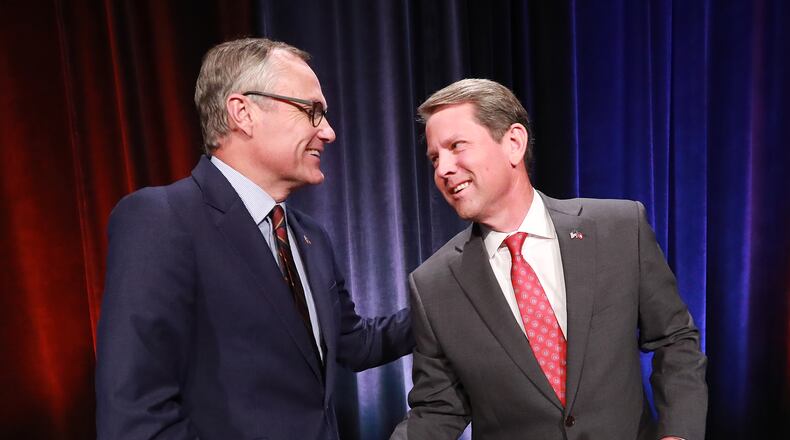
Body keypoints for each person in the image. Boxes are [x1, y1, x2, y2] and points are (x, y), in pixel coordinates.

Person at [95, 37, 414, 440]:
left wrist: (454, 303)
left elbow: (354, 343)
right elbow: (136, 414)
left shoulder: (311, 237)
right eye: (312, 111)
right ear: (243, 113)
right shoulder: (162, 219)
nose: (329, 132)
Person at [391, 79, 707, 439]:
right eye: (435, 158)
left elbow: (674, 339)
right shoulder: (434, 284)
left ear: (514, 143)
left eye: (456, 146)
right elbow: (437, 409)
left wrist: (677, 434)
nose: (442, 169)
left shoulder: (619, 229)